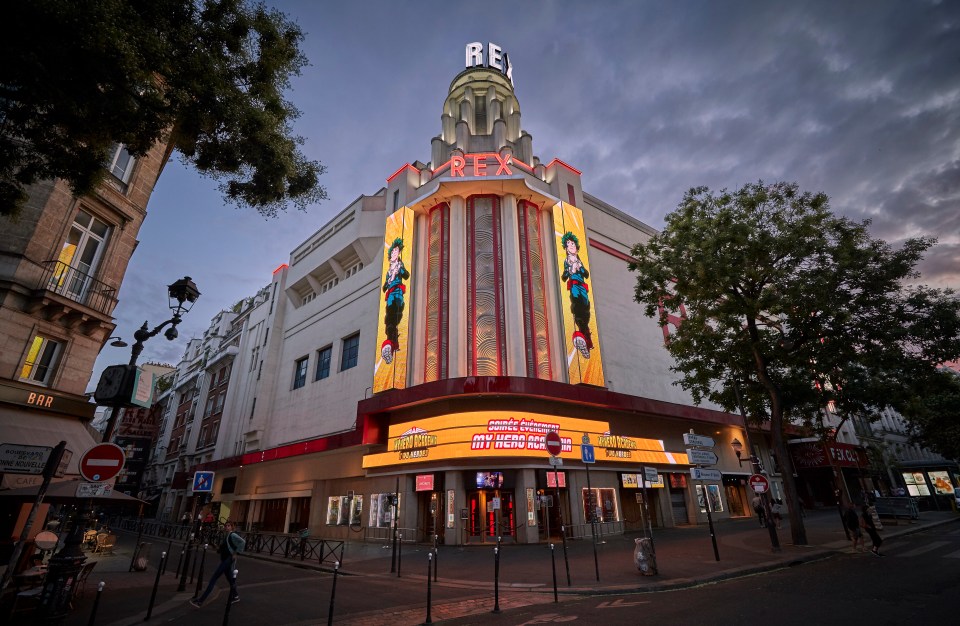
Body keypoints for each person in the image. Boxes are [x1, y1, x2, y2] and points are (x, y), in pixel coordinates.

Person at [190, 521, 242, 607]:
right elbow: (225, 548)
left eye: (228, 526)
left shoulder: (232, 535)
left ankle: (201, 600)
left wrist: (236, 553)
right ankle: (236, 596)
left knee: (214, 578)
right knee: (230, 580)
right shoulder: (227, 536)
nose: (226, 527)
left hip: (228, 560)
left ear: (232, 527)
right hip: (225, 559)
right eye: (226, 526)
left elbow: (242, 542)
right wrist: (217, 548)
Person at [560, 232, 594, 359]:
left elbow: (586, 274)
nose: (570, 246)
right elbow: (564, 277)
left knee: (586, 309)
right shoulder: (567, 261)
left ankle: (586, 338)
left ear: (576, 246)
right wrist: (570, 270)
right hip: (574, 286)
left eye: (572, 243)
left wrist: (580, 267)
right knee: (577, 305)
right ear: (566, 248)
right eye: (568, 244)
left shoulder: (579, 260)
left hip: (582, 287)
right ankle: (583, 335)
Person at [381, 237, 409, 365]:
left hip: (397, 294)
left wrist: (400, 268)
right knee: (389, 319)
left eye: (396, 251)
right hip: (390, 295)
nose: (394, 253)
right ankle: (392, 344)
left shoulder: (399, 265)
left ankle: (390, 343)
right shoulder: (389, 270)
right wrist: (386, 284)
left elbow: (406, 275)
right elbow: (385, 286)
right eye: (393, 252)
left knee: (394, 316)